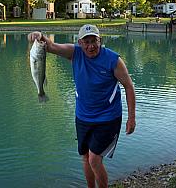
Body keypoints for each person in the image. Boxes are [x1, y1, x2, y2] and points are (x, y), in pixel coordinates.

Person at [27, 24, 136, 188]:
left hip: (108, 117)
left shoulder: (113, 60)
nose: (91, 46)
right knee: (85, 156)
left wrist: (131, 118)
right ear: (79, 42)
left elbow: (128, 86)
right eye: (86, 42)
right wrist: (38, 36)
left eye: (94, 41)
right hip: (83, 116)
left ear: (101, 40)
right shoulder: (75, 53)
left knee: (94, 159)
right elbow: (51, 46)